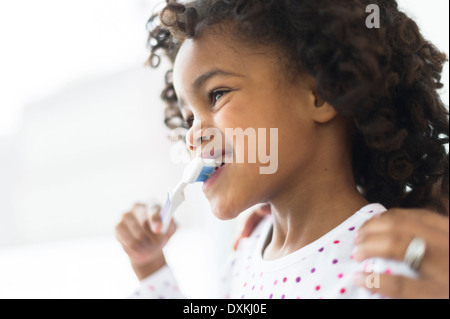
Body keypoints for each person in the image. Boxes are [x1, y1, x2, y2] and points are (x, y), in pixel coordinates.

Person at [115, 0, 449, 299]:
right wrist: (151, 268)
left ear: (321, 94)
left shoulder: (386, 266)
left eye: (216, 95)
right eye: (188, 117)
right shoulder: (247, 250)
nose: (193, 135)